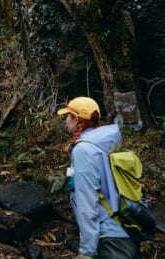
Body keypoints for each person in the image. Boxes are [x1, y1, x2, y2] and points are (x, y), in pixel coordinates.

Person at [57, 97, 138, 259]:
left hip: (109, 240)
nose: (65, 120)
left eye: (67, 116)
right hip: (123, 234)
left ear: (76, 119)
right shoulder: (101, 146)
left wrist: (87, 251)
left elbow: (87, 203)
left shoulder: (83, 151)